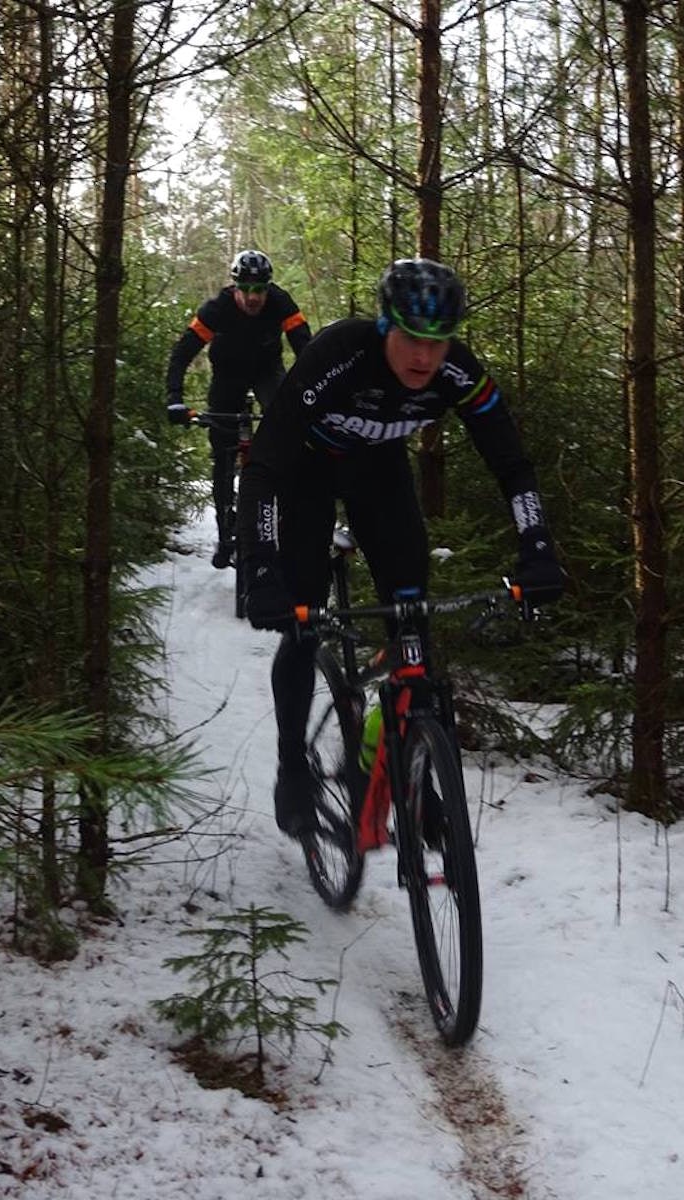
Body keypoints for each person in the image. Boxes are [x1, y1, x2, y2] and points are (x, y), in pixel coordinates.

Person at [236, 257, 565, 838]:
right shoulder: (339, 356)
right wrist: (261, 567)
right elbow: (263, 466)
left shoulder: (456, 372)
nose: (424, 357)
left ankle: (407, 772)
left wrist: (537, 546)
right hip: (306, 473)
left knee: (411, 617)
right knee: (302, 617)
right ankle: (293, 765)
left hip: (378, 473)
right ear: (387, 326)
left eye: (438, 343)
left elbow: (511, 463)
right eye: (412, 338)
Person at [165, 249, 312, 568]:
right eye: (245, 289)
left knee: (283, 419)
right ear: (235, 287)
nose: (253, 297)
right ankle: (224, 535)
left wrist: (312, 395)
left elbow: (307, 349)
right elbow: (182, 353)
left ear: (267, 288)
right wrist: (174, 397)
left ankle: (283, 510)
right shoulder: (216, 309)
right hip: (228, 376)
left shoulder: (280, 301)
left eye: (259, 289)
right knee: (222, 454)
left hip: (266, 370)